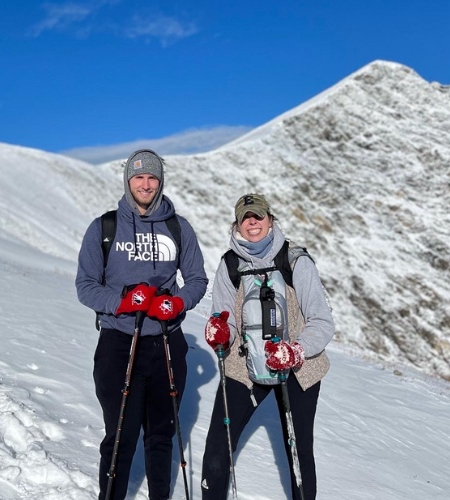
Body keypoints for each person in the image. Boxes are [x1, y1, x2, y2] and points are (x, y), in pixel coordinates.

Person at [75, 149, 208, 500]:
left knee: (161, 436)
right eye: (139, 177)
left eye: (152, 178)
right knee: (120, 436)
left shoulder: (179, 227)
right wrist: (121, 301)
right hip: (119, 343)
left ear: (160, 182)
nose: (146, 184)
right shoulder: (105, 227)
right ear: (128, 181)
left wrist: (176, 302)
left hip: (166, 342)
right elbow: (86, 286)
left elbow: (196, 279)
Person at [201, 193, 335, 500]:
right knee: (217, 450)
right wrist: (221, 331)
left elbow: (322, 322)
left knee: (298, 452)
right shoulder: (229, 265)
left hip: (299, 370)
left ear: (270, 220)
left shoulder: (295, 261)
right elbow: (224, 318)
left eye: (258, 216)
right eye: (246, 217)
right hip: (244, 367)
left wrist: (296, 350)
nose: (252, 222)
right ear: (237, 224)